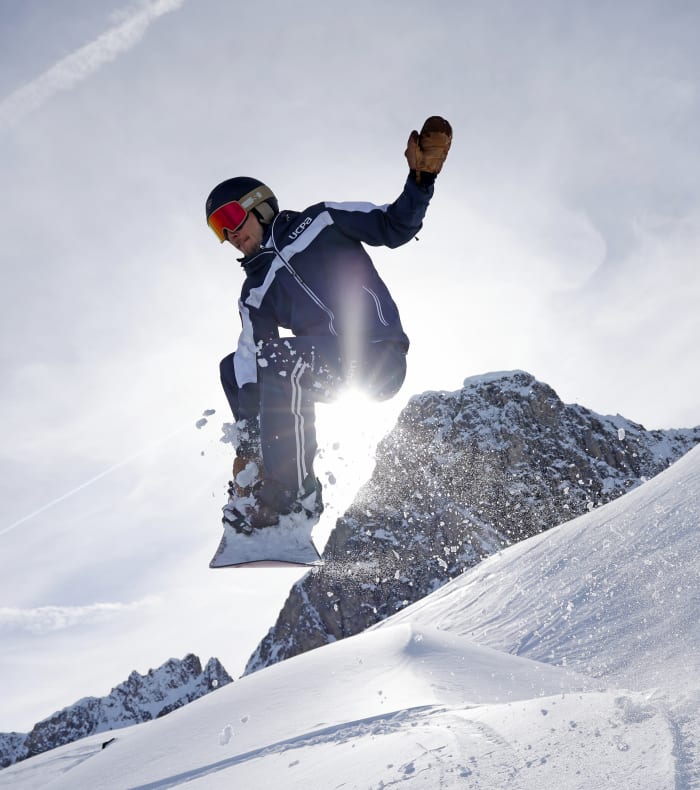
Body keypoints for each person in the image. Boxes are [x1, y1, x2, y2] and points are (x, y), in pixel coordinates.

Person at [206, 116, 452, 531]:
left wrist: (420, 181)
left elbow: (394, 227)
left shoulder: (321, 221)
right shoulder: (255, 290)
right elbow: (253, 363)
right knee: (233, 366)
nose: (229, 232)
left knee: (279, 359)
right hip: (331, 373)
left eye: (230, 216)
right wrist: (250, 449)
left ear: (258, 204)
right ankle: (262, 488)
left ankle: (294, 498)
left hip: (378, 355)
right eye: (217, 228)